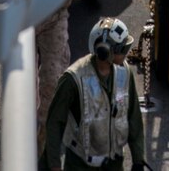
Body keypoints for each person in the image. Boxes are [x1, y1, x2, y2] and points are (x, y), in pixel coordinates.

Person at [40, 17, 145, 171]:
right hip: (80, 165)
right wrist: (54, 165)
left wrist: (138, 160)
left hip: (113, 163)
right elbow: (55, 123)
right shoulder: (73, 79)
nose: (125, 53)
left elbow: (133, 117)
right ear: (105, 51)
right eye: (121, 49)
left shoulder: (124, 73)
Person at [32, 0, 91, 152]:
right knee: (21, 83)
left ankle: (46, 143)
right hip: (25, 23)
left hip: (54, 21)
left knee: (53, 81)